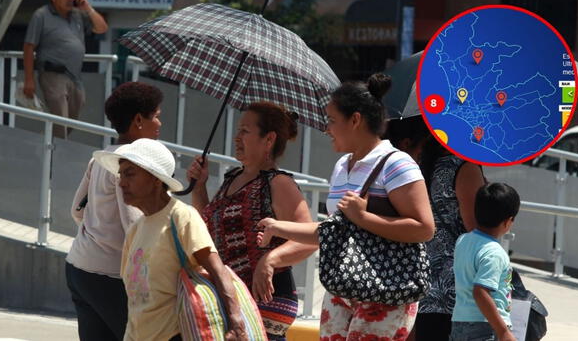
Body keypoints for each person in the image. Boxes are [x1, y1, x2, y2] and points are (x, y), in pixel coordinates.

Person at [257, 73, 435, 340]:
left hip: (388, 290)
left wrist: (362, 217)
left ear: (355, 120)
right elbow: (335, 230)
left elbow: (424, 229)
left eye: (331, 120)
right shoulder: (342, 166)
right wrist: (277, 226)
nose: (326, 129)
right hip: (343, 287)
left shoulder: (398, 164)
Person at [187, 101, 318, 340]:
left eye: (245, 131)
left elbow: (310, 238)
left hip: (266, 296)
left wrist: (269, 260)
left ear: (269, 139)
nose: (237, 137)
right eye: (238, 130)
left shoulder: (278, 183)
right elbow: (210, 227)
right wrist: (199, 186)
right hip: (234, 293)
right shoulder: (232, 177)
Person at [93, 139, 248, 341]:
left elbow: (218, 271)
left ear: (156, 179)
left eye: (130, 174)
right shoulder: (135, 230)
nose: (121, 182)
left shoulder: (181, 217)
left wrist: (236, 323)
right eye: (121, 174)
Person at [67, 82, 163, 341]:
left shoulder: (100, 157)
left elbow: (77, 210)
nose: (159, 124)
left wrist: (99, 232)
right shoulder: (132, 165)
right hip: (110, 278)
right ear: (138, 120)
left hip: (79, 268)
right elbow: (135, 227)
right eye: (156, 117)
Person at [412, 136, 486, 341]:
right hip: (456, 288)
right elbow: (476, 230)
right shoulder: (464, 168)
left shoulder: (423, 164)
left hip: (425, 282)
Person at [23, 0, 108, 138]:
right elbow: (29, 47)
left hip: (75, 76)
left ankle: (46, 142)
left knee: (71, 120)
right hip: (52, 73)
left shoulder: (77, 15)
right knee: (60, 118)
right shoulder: (41, 15)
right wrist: (29, 79)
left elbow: (102, 28)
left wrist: (88, 8)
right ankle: (57, 155)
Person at [450, 183, 519, 341]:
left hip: (459, 322)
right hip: (485, 326)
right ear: (508, 222)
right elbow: (480, 292)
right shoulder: (494, 252)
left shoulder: (463, 240)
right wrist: (503, 332)